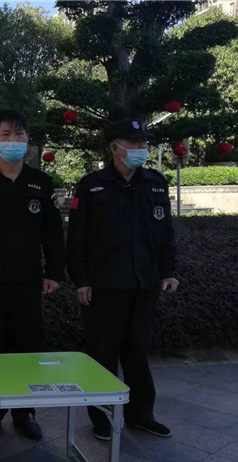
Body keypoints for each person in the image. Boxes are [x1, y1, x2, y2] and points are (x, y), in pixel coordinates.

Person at [65, 118, 179, 441]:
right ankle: (101, 416)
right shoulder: (92, 186)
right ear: (115, 148)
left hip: (144, 284)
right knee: (102, 355)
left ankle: (141, 414)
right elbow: (77, 239)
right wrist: (81, 280)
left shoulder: (155, 183)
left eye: (143, 142)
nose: (141, 148)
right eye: (134, 143)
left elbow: (166, 233)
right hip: (104, 287)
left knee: (138, 353)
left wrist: (169, 271)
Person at [0, 109, 65, 441]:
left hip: (28, 284)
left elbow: (53, 233)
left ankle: (25, 412)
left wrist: (55, 272)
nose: (13, 141)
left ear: (27, 140)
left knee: (27, 350)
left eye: (19, 135)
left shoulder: (41, 183)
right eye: (6, 135)